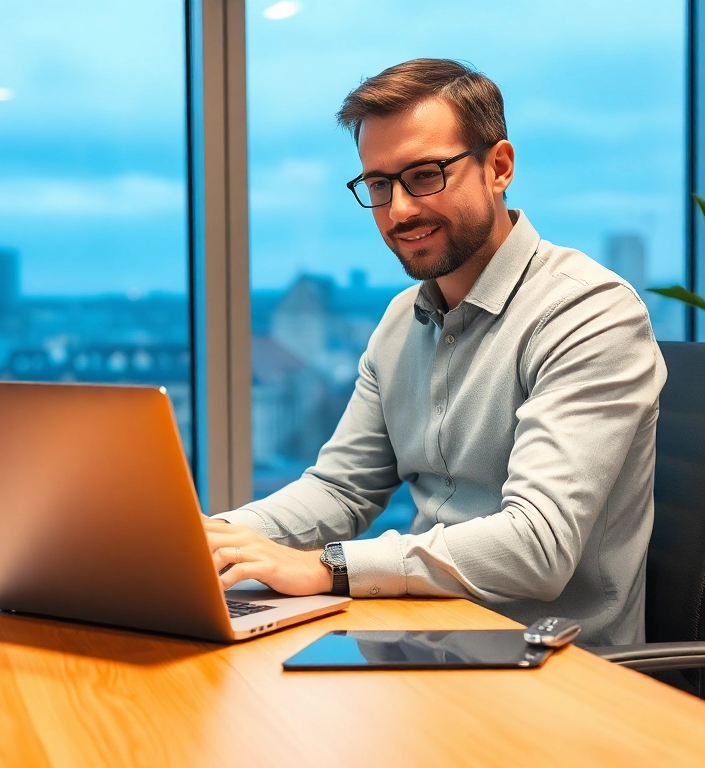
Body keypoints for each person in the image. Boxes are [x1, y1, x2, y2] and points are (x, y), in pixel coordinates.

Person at [206, 59, 666, 646]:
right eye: (378, 184)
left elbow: (538, 545)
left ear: (498, 167)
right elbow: (341, 489)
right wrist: (214, 538)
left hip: (550, 670)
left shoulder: (589, 314)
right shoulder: (402, 321)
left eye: (425, 175)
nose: (399, 210)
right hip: (418, 638)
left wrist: (330, 568)